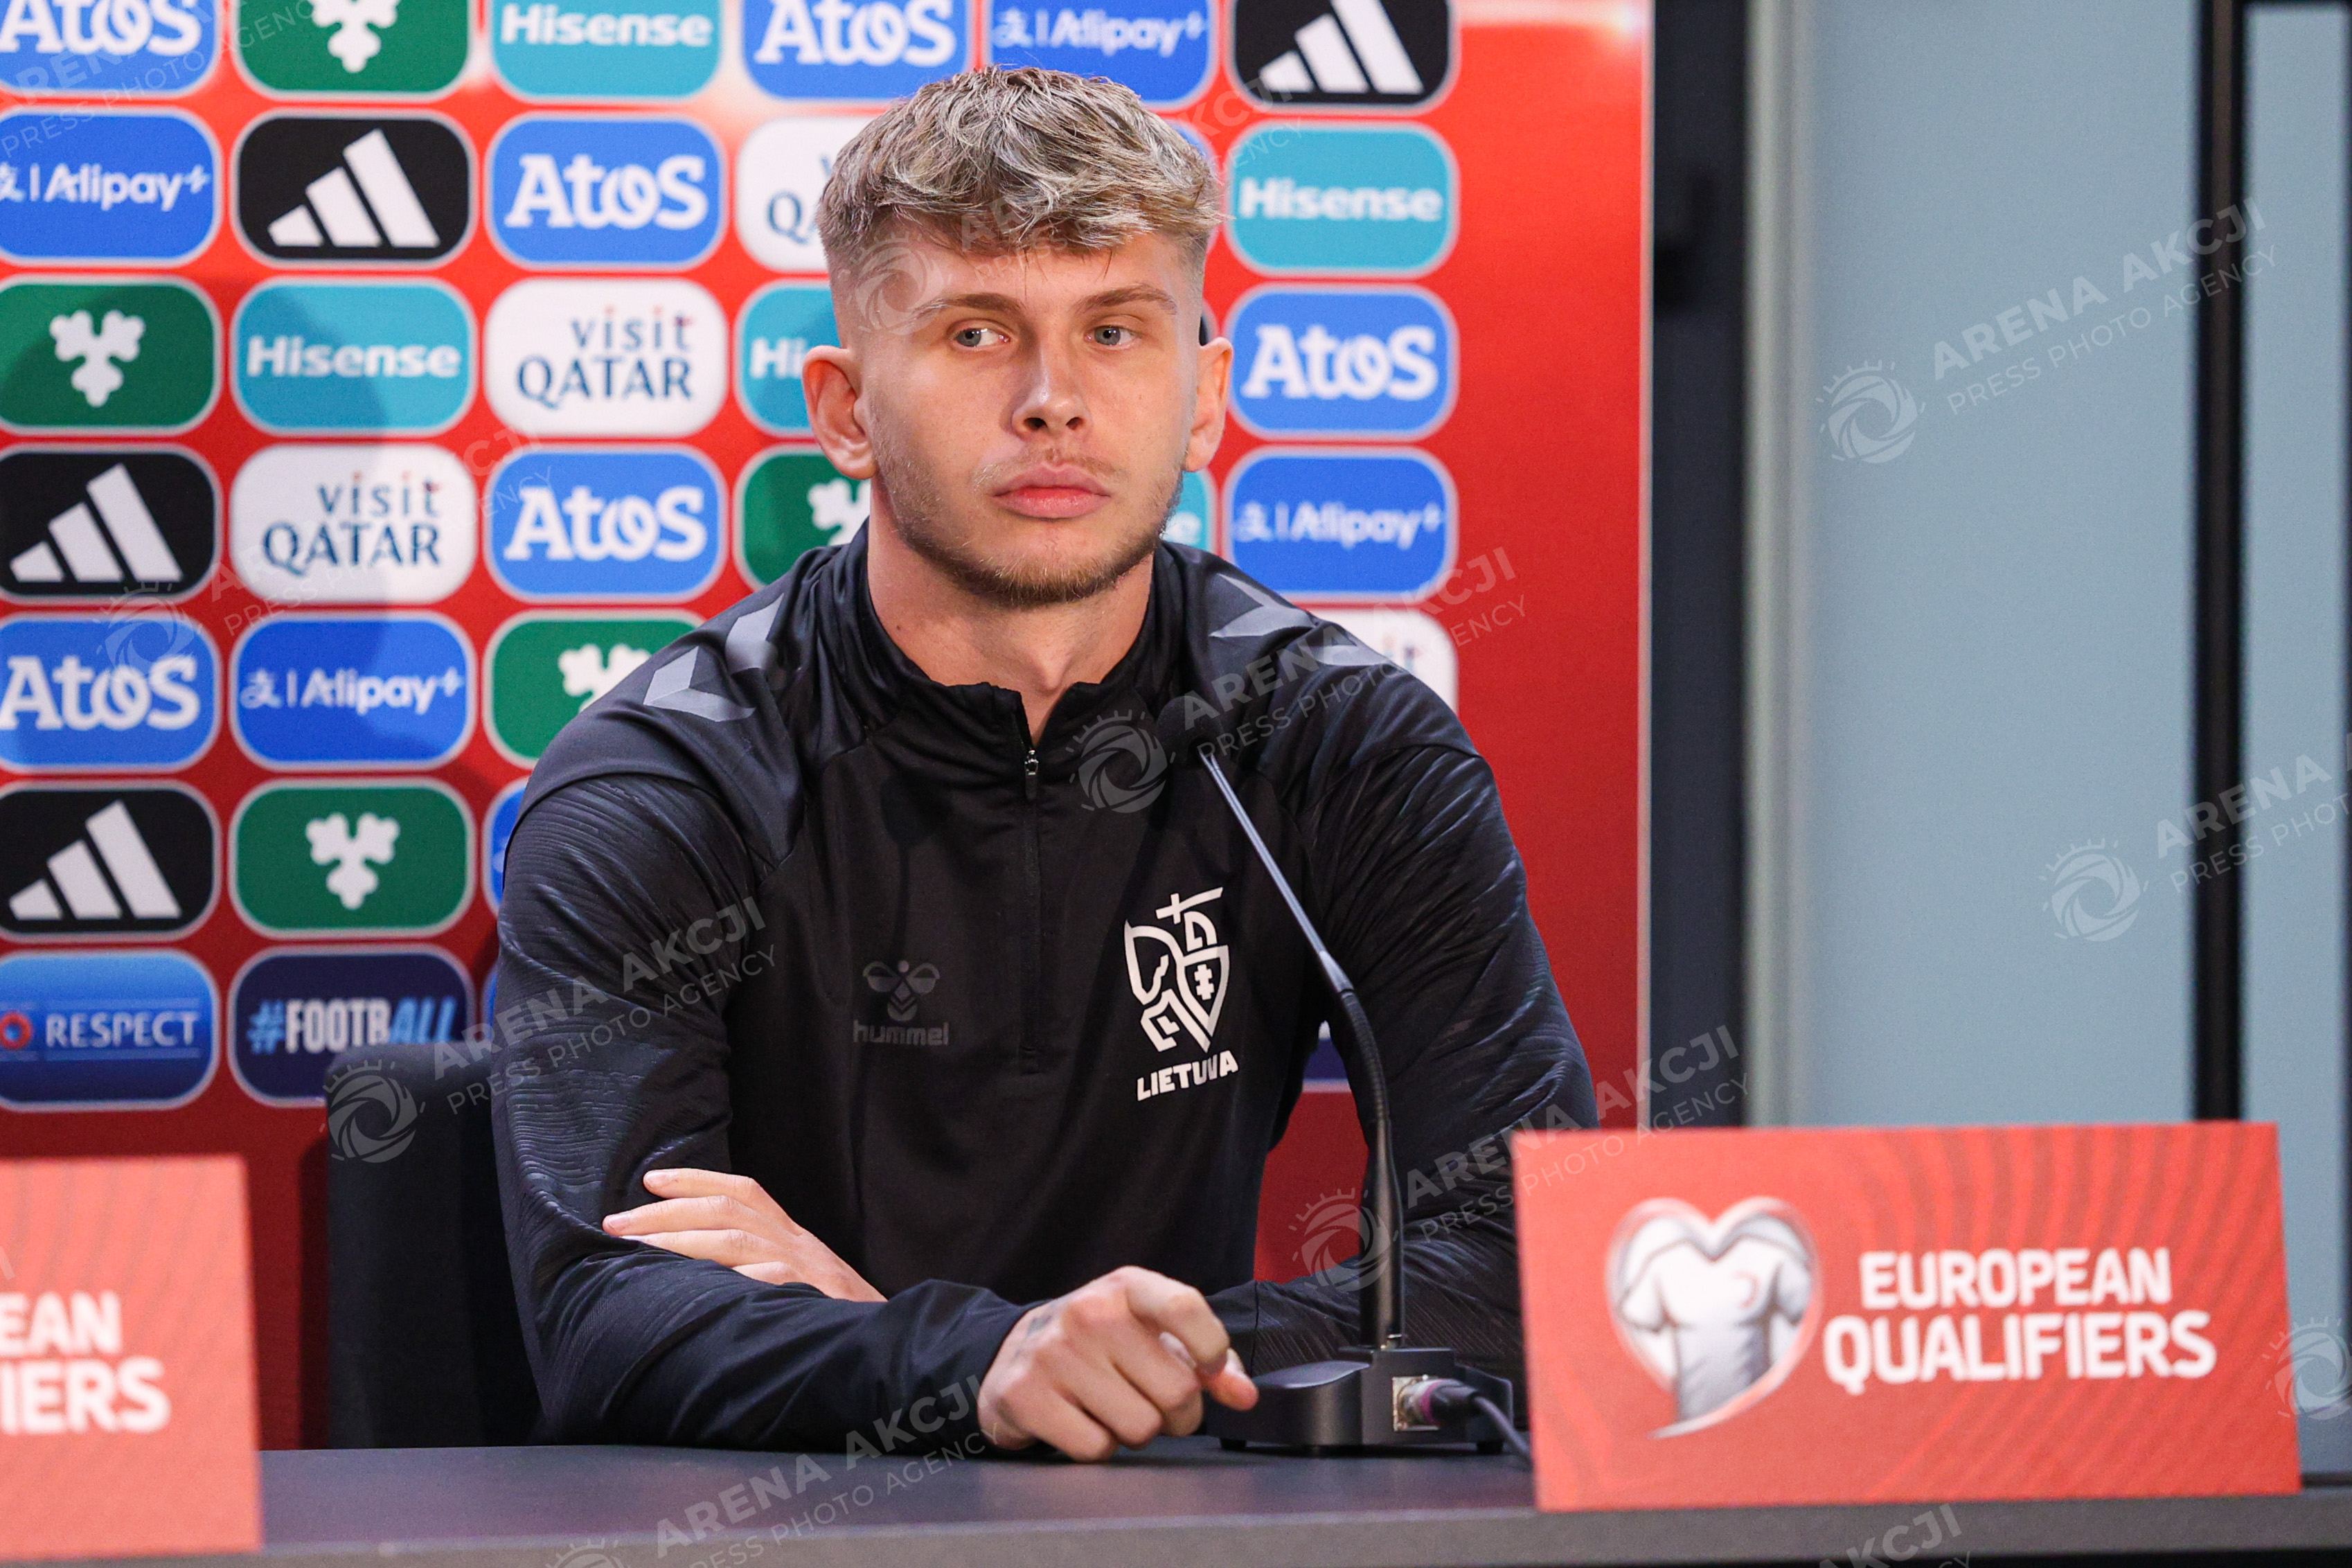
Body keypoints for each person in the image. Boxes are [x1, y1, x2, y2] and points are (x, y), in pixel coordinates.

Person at [489, 65, 1596, 1464]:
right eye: (975, 333)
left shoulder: (1344, 746)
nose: (1053, 401)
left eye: (1116, 331)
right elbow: (606, 1318)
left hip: (1190, 1534)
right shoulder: (670, 779)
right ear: (845, 409)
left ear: (1203, 399)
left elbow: (1521, 1261)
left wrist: (989, 1353)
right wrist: (984, 1359)